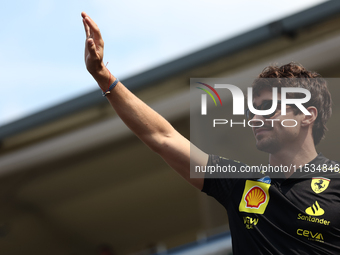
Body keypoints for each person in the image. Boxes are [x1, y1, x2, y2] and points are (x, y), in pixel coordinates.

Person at [81, 12, 340, 254]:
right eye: (252, 110)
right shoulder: (241, 184)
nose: (256, 118)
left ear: (307, 115)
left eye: (268, 107)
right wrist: (103, 75)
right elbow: (163, 138)